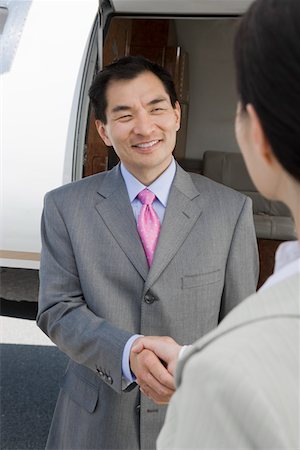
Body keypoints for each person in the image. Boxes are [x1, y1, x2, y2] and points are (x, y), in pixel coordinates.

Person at [36, 55, 258, 450]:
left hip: (193, 421)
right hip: (94, 421)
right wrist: (126, 353)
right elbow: (57, 309)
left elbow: (241, 328)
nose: (144, 127)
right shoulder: (64, 207)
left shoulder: (231, 210)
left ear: (176, 114)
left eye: (156, 108)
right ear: (103, 130)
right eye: (124, 115)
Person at [132, 1, 300, 448]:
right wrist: (192, 358)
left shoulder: (225, 382)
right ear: (103, 128)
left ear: (257, 136)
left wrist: (206, 367)